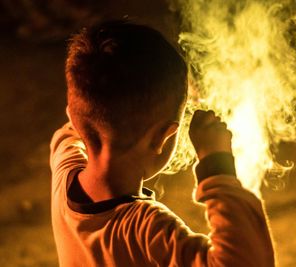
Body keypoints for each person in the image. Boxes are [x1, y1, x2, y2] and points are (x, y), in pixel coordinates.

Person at [50, 19, 275, 266]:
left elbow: (82, 115)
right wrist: (215, 162)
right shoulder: (143, 230)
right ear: (162, 137)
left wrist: (172, 100)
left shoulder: (63, 162)